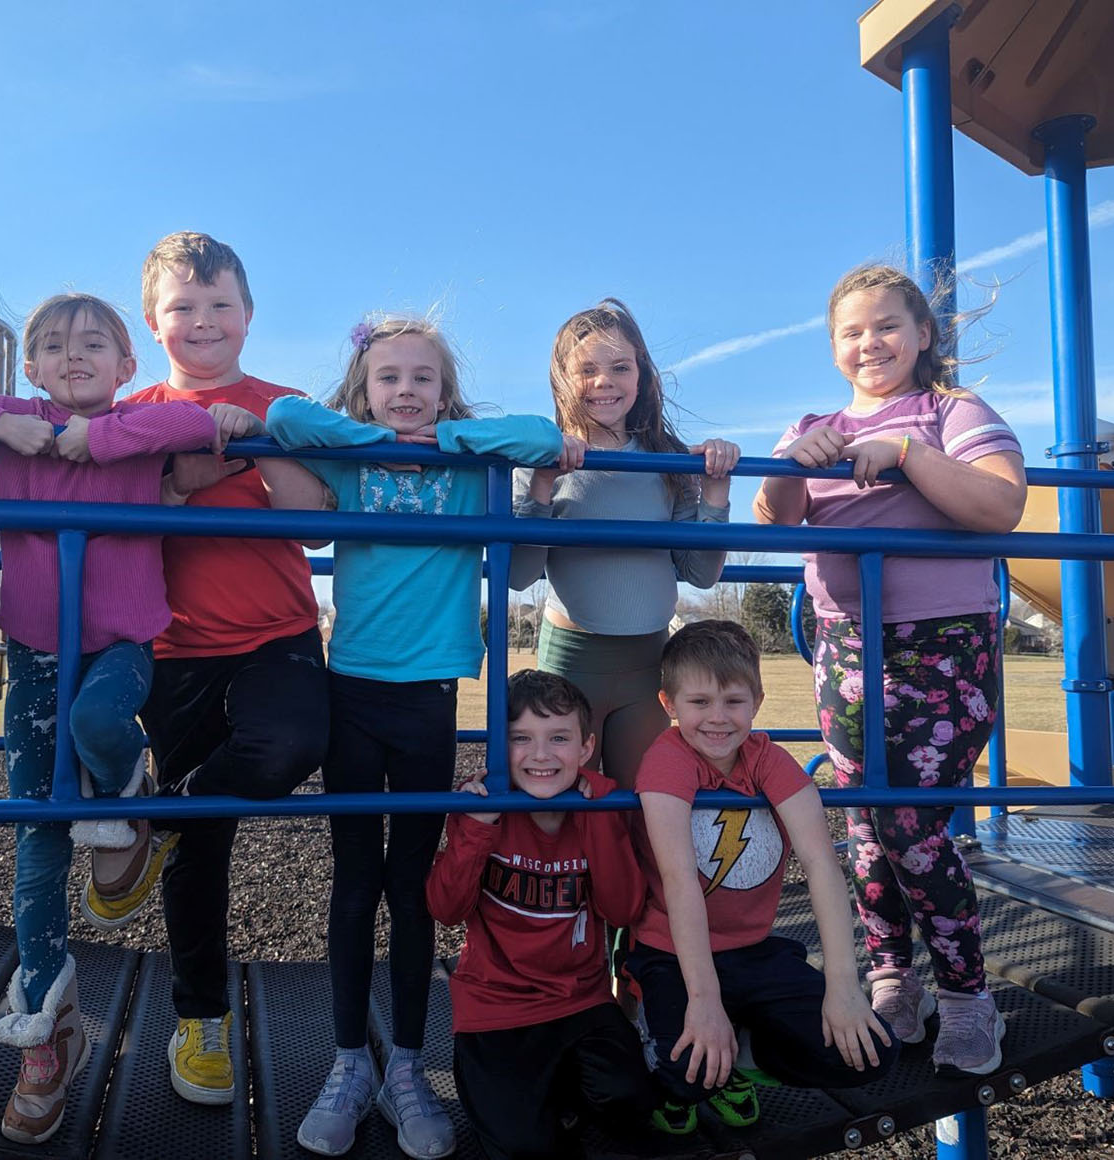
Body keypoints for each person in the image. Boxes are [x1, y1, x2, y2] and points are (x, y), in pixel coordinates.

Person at [0, 294, 254, 1142]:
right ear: (31, 370)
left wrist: (99, 439)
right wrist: (2, 427)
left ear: (127, 368)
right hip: (35, 650)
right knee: (36, 838)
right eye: (51, 346)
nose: (71, 355)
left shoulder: (137, 424)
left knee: (100, 723)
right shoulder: (18, 419)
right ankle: (48, 1034)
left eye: (93, 344)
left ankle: (127, 799)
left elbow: (193, 427)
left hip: (120, 642)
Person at [258, 313, 579, 1159]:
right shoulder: (353, 459)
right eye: (389, 378)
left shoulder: (472, 466)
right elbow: (287, 416)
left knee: (413, 889)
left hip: (429, 697)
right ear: (365, 390)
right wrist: (369, 434)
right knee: (354, 882)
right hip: (353, 689)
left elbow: (543, 435)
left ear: (447, 391)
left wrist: (450, 438)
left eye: (422, 379)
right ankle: (345, 1062)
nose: (406, 393)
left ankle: (405, 1063)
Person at [753, 263, 1026, 1075]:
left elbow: (1000, 505)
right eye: (851, 332)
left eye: (885, 327)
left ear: (922, 335)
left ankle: (969, 997)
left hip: (942, 649)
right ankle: (890, 977)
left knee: (909, 824)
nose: (869, 343)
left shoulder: (951, 412)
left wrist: (904, 451)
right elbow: (772, 516)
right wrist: (798, 463)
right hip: (846, 649)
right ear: (832, 346)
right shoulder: (817, 423)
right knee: (866, 828)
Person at [121, 231, 333, 1109]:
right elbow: (116, 530)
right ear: (152, 320)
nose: (202, 321)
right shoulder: (131, 413)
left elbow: (316, 525)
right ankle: (198, 1018)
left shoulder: (285, 403)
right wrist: (181, 476)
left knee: (290, 743)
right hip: (173, 650)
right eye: (182, 307)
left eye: (219, 306)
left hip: (277, 632)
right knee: (201, 851)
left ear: (248, 315)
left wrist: (259, 445)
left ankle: (158, 817)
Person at [627, 620, 897, 1135]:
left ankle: (743, 1055)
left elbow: (821, 863)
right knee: (687, 1072)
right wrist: (704, 1004)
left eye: (733, 701)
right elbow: (680, 879)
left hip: (755, 951)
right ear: (669, 703)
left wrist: (844, 988)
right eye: (699, 702)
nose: (717, 718)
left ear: (757, 699)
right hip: (672, 954)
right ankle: (671, 1047)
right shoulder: (667, 761)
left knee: (872, 1052)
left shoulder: (766, 759)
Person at [509, 299, 739, 789]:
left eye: (619, 367)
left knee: (642, 800)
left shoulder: (669, 462)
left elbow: (700, 573)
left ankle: (637, 872)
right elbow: (518, 574)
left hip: (647, 663)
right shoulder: (538, 457)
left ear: (642, 375)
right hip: (572, 658)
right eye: (586, 369)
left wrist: (715, 490)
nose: (603, 381)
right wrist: (542, 486)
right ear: (561, 378)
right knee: (568, 800)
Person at [427, 670, 655, 1160]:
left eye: (559, 738)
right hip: (495, 1007)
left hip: (581, 1000)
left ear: (587, 747)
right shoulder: (481, 807)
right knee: (521, 1146)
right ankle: (533, 1100)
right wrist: (475, 830)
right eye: (520, 739)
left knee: (629, 1102)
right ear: (498, 747)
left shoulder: (601, 804)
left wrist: (598, 820)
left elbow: (623, 908)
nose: (541, 755)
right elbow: (445, 910)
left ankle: (559, 1094)